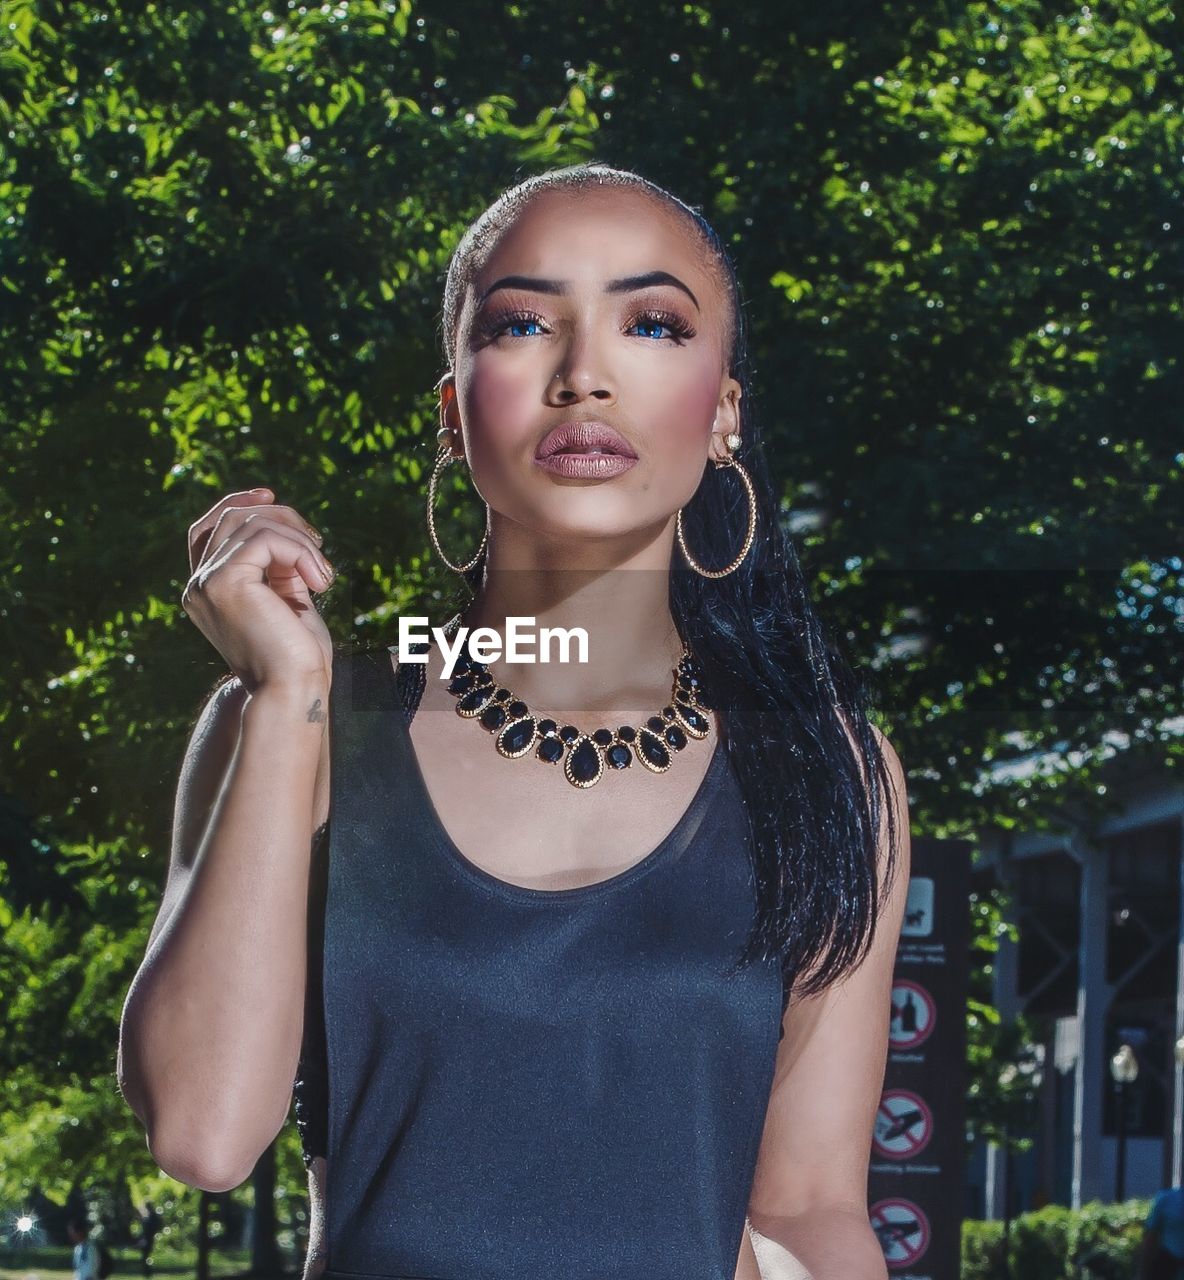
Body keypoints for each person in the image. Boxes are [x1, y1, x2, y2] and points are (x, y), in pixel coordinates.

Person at [118, 160, 910, 1280]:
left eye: (649, 323)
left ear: (723, 405)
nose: (583, 375)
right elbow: (202, 1132)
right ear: (453, 409)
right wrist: (287, 687)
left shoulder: (829, 766)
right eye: (525, 321)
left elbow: (809, 1209)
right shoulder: (303, 714)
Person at [1141, 1187, 1184, 1280]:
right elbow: (1149, 1239)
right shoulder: (1166, 1199)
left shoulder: (1166, 1199)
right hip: (1168, 1265)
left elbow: (1149, 1239)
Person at [67, 1215, 99, 1280]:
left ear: (80, 1232)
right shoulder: (77, 1249)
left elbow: (92, 1269)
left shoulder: (91, 1248)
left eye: (73, 1232)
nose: (71, 1235)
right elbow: (78, 1269)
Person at [137, 1201, 161, 1276]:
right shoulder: (151, 1216)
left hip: (148, 1238)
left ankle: (147, 1271)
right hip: (148, 1238)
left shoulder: (151, 1216)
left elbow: (148, 1229)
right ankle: (147, 1271)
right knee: (146, 1255)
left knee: (145, 1255)